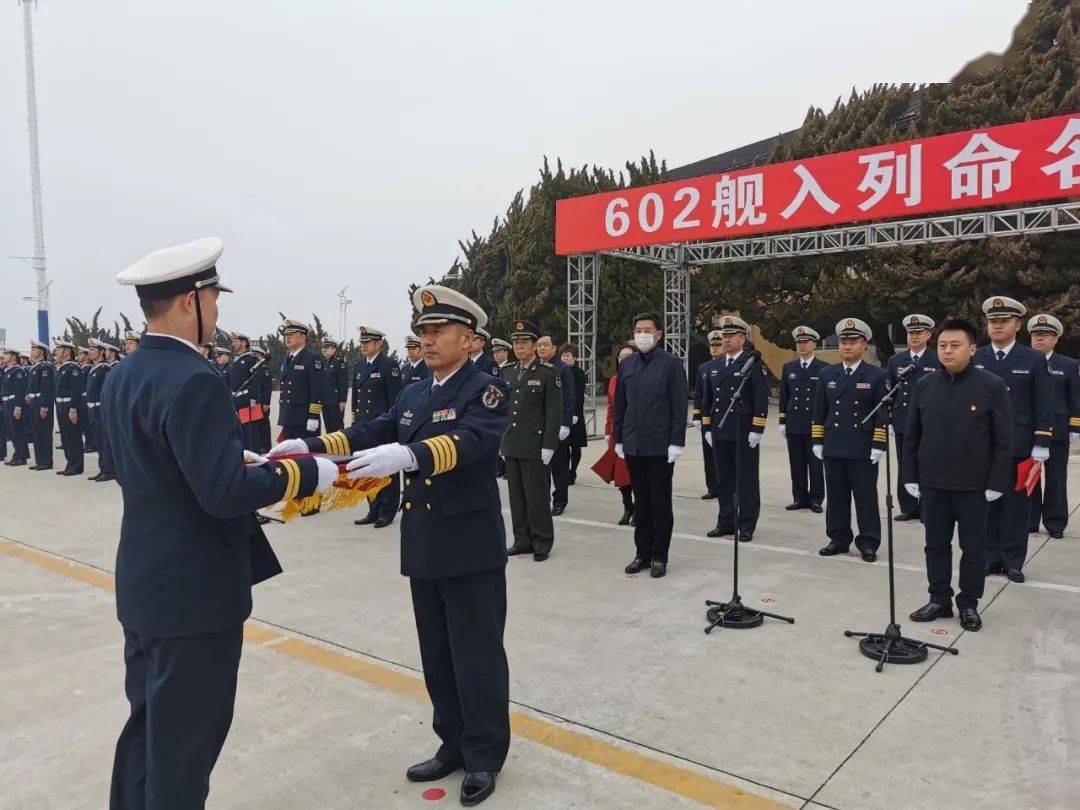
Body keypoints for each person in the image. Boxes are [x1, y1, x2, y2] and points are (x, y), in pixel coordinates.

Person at [105, 237, 338, 810]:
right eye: (213, 298)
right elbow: (223, 495)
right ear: (190, 302)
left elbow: (151, 466)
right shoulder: (195, 378)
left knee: (147, 732)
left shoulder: (123, 374)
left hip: (145, 586)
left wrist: (235, 459)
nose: (218, 312)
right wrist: (304, 475)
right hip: (195, 597)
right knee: (186, 748)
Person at [271, 284, 512, 807]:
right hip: (424, 542)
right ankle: (452, 741)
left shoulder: (487, 389)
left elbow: (472, 442)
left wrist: (408, 457)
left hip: (469, 546)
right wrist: (308, 445)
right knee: (438, 654)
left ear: (468, 338)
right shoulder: (414, 391)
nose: (426, 340)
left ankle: (485, 755)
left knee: (477, 655)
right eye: (422, 332)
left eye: (437, 331)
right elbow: (370, 430)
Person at [903, 319, 1013, 631]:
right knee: (935, 545)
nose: (948, 351)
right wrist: (910, 475)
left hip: (973, 486)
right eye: (942, 346)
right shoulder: (924, 385)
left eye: (955, 345)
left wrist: (996, 481)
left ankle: (969, 603)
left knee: (974, 548)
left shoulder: (991, 385)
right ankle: (939, 599)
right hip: (933, 483)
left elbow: (1004, 440)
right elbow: (911, 436)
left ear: (972, 348)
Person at [973, 296, 1054, 582]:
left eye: (1003, 321)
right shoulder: (977, 357)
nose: (996, 325)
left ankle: (1012, 560)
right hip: (982, 446)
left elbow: (1044, 403)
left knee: (1016, 507)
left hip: (1019, 445)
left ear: (1017, 324)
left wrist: (1041, 442)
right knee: (985, 505)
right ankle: (989, 557)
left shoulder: (1032, 358)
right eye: (992, 321)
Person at [613, 312, 688, 578]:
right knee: (640, 502)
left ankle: (659, 556)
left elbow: (679, 406)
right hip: (633, 444)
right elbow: (620, 405)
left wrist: (676, 441)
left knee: (659, 502)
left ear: (658, 334)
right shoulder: (627, 364)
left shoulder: (671, 364)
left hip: (659, 446)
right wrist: (618, 438)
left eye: (647, 330)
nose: (641, 334)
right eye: (637, 330)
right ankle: (641, 554)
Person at [812, 318, 888, 562]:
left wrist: (879, 444)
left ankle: (868, 542)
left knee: (865, 498)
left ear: (863, 345)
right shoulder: (827, 374)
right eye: (843, 341)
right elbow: (819, 410)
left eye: (852, 341)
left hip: (862, 447)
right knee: (836, 497)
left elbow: (881, 415)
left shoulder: (876, 375)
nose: (846, 346)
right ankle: (838, 538)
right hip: (834, 445)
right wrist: (817, 440)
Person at [701, 316, 769, 543]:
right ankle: (726, 521)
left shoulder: (753, 365)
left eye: (731, 336)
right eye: (724, 336)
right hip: (720, 430)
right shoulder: (715, 365)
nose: (726, 340)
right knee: (724, 479)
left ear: (742, 338)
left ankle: (747, 524)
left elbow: (760, 399)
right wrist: (707, 427)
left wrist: (757, 429)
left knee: (746, 479)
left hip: (743, 430)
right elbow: (708, 401)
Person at [502, 320, 562, 561]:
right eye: (516, 343)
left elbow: (553, 413)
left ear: (535, 345)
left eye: (524, 343)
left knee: (536, 497)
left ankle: (542, 541)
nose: (519, 347)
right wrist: (500, 440)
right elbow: (503, 410)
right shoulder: (508, 371)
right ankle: (521, 539)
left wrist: (549, 445)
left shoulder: (548, 373)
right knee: (516, 497)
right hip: (512, 443)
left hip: (535, 445)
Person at [1026, 314, 1078, 538]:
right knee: (1029, 478)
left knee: (1056, 478)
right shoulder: (1023, 362)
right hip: (1028, 429)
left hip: (1057, 430)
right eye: (1036, 335)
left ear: (1055, 339)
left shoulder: (1068, 365)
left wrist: (1075, 427)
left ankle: (1055, 523)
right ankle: (1029, 521)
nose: (1039, 339)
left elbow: (1076, 398)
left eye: (1045, 335)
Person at [888, 314, 940, 521]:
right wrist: (890, 419)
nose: (914, 337)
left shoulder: (937, 359)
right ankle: (908, 507)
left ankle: (928, 506)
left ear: (928, 334)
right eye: (911, 333)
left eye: (918, 333)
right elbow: (890, 391)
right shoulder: (896, 360)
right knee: (905, 463)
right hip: (903, 421)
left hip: (929, 422)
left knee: (928, 463)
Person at [351, 326, 403, 529]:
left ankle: (387, 511)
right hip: (364, 425)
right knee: (368, 468)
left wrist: (394, 427)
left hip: (383, 426)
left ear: (378, 344)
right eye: (362, 342)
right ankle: (373, 509)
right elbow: (356, 399)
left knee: (386, 468)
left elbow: (395, 400)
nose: (363, 346)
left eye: (367, 342)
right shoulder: (358, 366)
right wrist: (355, 423)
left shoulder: (389, 365)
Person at [779, 326, 827, 513]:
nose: (801, 345)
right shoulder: (789, 367)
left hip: (814, 423)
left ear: (814, 344)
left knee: (815, 464)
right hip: (794, 422)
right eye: (799, 343)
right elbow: (785, 396)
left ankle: (815, 499)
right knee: (796, 463)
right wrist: (783, 420)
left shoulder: (823, 368)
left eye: (805, 342)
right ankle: (799, 497)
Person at [537, 335, 574, 515]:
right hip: (538, 426)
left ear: (554, 348)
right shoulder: (534, 367)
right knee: (540, 467)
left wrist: (565, 424)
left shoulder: (563, 369)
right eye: (539, 345)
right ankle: (542, 499)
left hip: (557, 426)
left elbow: (569, 398)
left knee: (559, 467)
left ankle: (560, 500)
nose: (542, 348)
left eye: (546, 345)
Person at [602, 345, 635, 524]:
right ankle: (628, 507)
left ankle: (639, 508)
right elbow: (611, 408)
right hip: (618, 432)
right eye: (621, 357)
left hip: (636, 431)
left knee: (636, 473)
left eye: (627, 356)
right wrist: (608, 431)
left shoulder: (640, 377)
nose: (623, 359)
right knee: (622, 475)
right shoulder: (614, 380)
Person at [277, 319, 324, 440]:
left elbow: (317, 389)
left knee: (304, 456)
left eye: (291, 334)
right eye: (286, 335)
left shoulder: (312, 358)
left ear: (303, 337)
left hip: (303, 418)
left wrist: (313, 416)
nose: (287, 337)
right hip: (288, 417)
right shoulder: (285, 358)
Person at [692, 330, 723, 500]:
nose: (715, 348)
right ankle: (712, 487)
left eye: (718, 345)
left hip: (723, 417)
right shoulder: (703, 368)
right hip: (706, 417)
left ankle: (725, 486)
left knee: (723, 455)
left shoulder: (729, 366)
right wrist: (696, 415)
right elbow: (699, 394)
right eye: (712, 345)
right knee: (709, 455)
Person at [53, 339, 85, 476]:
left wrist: (73, 409)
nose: (57, 352)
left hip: (69, 406)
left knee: (73, 436)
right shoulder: (63, 368)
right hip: (61, 405)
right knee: (65, 437)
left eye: (59, 350)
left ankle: (76, 466)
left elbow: (76, 391)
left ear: (67, 352)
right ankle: (70, 463)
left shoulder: (73, 368)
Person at [228, 332, 262, 452]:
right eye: (233, 342)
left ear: (243, 343)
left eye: (236, 341)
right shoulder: (236, 360)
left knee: (249, 432)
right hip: (236, 399)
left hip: (247, 400)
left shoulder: (250, 359)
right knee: (239, 430)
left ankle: (252, 457)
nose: (233, 344)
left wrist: (253, 400)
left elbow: (256, 380)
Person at [85, 339, 114, 481]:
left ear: (102, 352)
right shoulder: (93, 368)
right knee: (98, 440)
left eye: (93, 350)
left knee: (104, 440)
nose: (90, 352)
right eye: (89, 350)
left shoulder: (105, 368)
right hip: (92, 409)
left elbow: (107, 390)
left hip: (100, 408)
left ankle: (109, 470)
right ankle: (102, 468)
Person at [560, 343, 588, 484]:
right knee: (563, 445)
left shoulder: (578, 373)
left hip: (575, 414)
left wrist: (575, 414)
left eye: (568, 355)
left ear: (574, 358)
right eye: (563, 355)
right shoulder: (558, 371)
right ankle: (564, 471)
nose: (565, 358)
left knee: (575, 445)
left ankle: (573, 471)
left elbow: (579, 396)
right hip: (562, 413)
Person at [26, 340, 55, 471]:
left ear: (41, 351)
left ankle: (46, 461)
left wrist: (44, 407)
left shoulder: (45, 367)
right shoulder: (34, 367)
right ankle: (40, 461)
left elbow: (46, 390)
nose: (32, 351)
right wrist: (28, 394)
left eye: (34, 349)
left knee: (44, 433)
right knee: (36, 433)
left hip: (41, 403)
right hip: (33, 403)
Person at [2, 348, 30, 466]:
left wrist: (18, 408)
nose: (3, 356)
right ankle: (17, 454)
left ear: (13, 356)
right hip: (7, 403)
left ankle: (22, 457)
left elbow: (20, 391)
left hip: (14, 403)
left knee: (18, 431)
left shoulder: (17, 371)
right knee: (12, 431)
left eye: (6, 354)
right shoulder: (7, 371)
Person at [318, 337, 349, 433]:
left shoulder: (339, 363)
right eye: (323, 347)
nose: (324, 349)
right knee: (329, 430)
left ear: (334, 349)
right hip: (325, 402)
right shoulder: (324, 364)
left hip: (336, 403)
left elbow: (343, 383)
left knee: (337, 430)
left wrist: (343, 400)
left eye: (327, 347)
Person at [249, 344, 274, 455]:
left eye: (255, 356)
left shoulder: (264, 370)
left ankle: (266, 446)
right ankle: (258, 446)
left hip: (262, 403)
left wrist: (266, 403)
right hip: (254, 403)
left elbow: (267, 388)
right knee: (255, 426)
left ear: (260, 357)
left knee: (263, 425)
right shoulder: (253, 370)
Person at [77, 345, 96, 452]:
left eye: (81, 354)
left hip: (86, 397)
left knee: (88, 423)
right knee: (84, 422)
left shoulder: (88, 368)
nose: (79, 356)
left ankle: (91, 444)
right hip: (82, 397)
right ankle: (88, 443)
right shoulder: (82, 368)